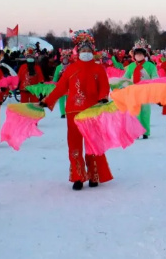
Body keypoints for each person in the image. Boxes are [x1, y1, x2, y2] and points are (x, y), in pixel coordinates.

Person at [40, 30, 113, 191]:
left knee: (93, 144)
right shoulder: (70, 69)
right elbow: (60, 88)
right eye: (83, 51)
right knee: (74, 145)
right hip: (73, 112)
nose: (85, 53)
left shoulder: (98, 68)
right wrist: (47, 101)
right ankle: (78, 177)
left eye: (88, 51)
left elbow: (104, 86)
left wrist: (103, 98)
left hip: (93, 111)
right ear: (77, 52)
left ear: (92, 52)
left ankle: (94, 176)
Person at [123, 38, 158, 139]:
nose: (139, 56)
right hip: (134, 91)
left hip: (145, 92)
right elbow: (125, 77)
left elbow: (155, 77)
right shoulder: (130, 66)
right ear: (134, 56)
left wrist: (153, 85)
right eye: (137, 54)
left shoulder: (150, 66)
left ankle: (145, 132)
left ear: (144, 55)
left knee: (145, 112)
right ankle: (136, 131)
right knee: (134, 111)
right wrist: (121, 85)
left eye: (140, 54)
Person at [52, 49, 73, 119]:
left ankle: (69, 111)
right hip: (61, 86)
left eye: (67, 57)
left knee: (69, 100)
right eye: (64, 58)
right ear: (62, 59)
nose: (65, 59)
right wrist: (54, 83)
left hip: (70, 85)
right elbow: (55, 76)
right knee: (61, 100)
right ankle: (62, 113)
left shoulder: (71, 66)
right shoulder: (58, 67)